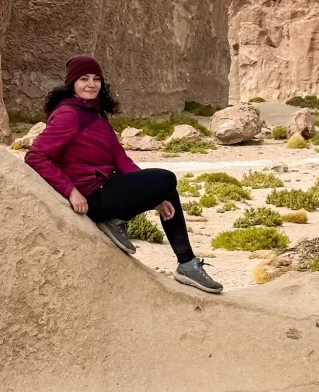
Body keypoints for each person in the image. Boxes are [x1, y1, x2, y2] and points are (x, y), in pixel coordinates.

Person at [25, 54, 223, 294]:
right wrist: (71, 191)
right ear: (72, 84)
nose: (91, 84)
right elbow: (35, 156)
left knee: (166, 189)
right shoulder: (69, 113)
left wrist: (155, 197)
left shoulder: (96, 113)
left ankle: (187, 264)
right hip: (91, 196)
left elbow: (121, 160)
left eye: (96, 79)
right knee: (166, 177)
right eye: (84, 79)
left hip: (106, 187)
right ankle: (115, 221)